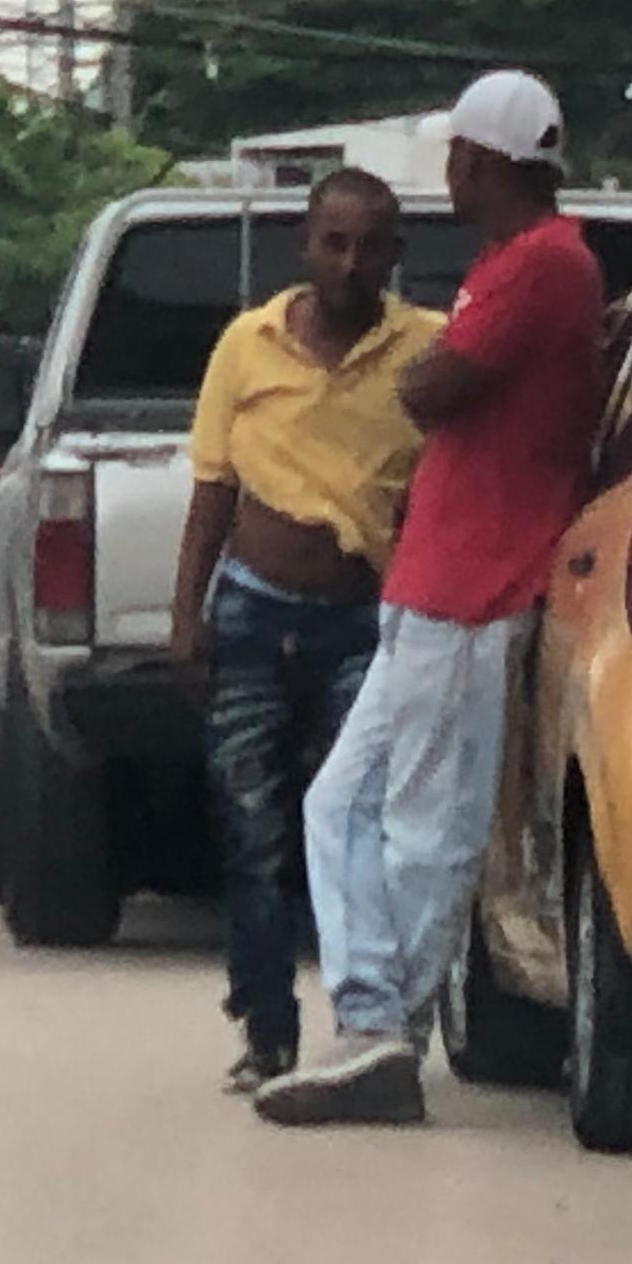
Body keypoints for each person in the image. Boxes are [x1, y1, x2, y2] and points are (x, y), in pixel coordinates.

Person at [263, 76, 606, 1127]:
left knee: (424, 820)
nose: (446, 174)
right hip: (435, 575)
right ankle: (371, 1014)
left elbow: (429, 389)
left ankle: (387, 1031)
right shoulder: (518, 267)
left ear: (490, 165)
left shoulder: (544, 265)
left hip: (477, 582)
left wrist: (431, 365)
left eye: (457, 157)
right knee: (342, 802)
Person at [176, 167, 439, 1091]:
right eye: (335, 241)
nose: (352, 261)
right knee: (252, 828)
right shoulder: (244, 347)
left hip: (366, 621)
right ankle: (267, 1027)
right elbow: (212, 488)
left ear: (397, 254)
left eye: (372, 245)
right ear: (305, 245)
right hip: (251, 611)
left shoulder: (428, 353)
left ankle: (362, 1022)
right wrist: (188, 616)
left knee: (354, 824)